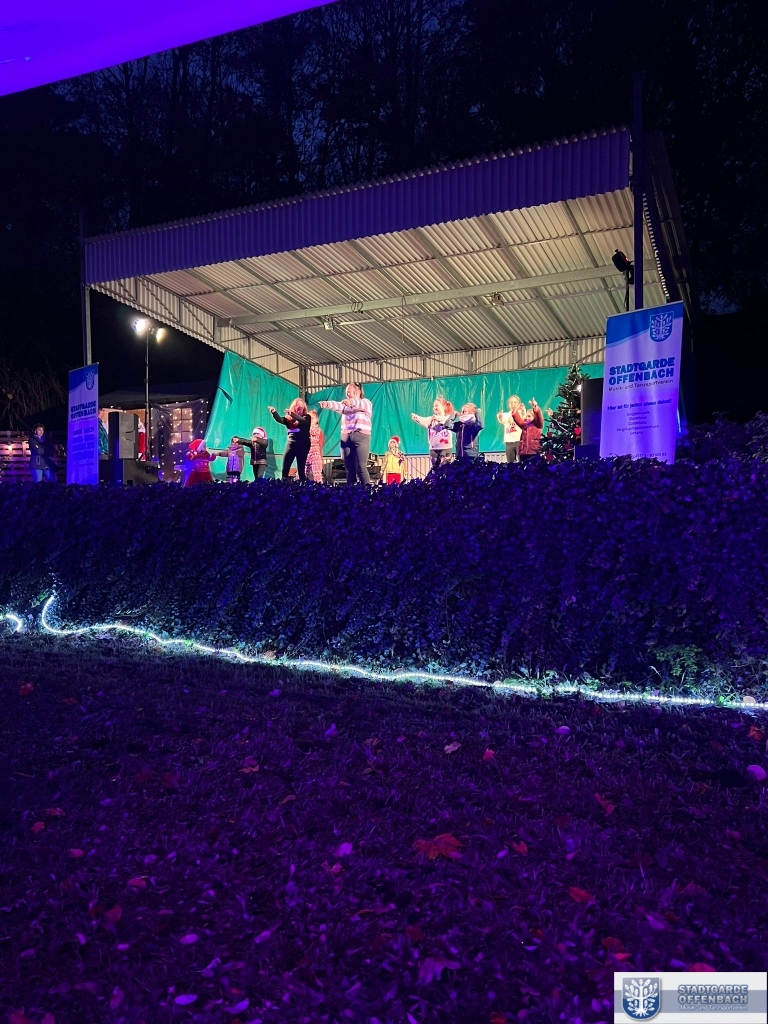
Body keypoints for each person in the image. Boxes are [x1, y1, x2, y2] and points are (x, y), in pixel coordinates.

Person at [319, 382, 373, 485]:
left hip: (361, 437)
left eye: (349, 392)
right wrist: (327, 404)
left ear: (357, 391)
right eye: (346, 392)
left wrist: (351, 402)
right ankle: (351, 490)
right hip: (346, 438)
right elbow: (338, 405)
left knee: (361, 467)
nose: (347, 394)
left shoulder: (366, 403)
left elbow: (359, 404)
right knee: (349, 468)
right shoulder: (346, 406)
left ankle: (367, 490)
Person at [269, 398, 311, 481]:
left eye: (301, 407)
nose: (299, 409)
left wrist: (292, 414)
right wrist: (274, 412)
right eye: (297, 407)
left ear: (304, 408)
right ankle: (283, 484)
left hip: (302, 446)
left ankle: (303, 485)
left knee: (301, 469)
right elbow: (280, 419)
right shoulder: (289, 419)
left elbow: (302, 420)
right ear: (294, 408)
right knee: (285, 468)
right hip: (291, 445)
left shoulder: (307, 417)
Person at [411, 398, 455, 470]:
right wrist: (417, 418)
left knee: (444, 468)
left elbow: (446, 422)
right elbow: (423, 420)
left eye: (436, 405)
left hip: (445, 448)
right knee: (435, 469)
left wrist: (438, 418)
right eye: (433, 406)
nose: (434, 407)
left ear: (444, 406)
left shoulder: (448, 418)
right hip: (433, 448)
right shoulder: (431, 419)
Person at [497, 395, 523, 463]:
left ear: (519, 404)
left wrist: (523, 411)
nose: (513, 404)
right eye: (511, 402)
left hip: (519, 441)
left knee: (522, 461)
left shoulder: (521, 413)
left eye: (515, 402)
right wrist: (500, 416)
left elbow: (524, 417)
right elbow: (501, 419)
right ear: (508, 405)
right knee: (510, 463)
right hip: (509, 442)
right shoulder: (506, 415)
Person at [307, 409, 325, 483]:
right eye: (309, 418)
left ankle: (319, 489)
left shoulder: (319, 431)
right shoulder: (304, 429)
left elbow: (320, 445)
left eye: (312, 418)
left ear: (316, 420)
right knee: (301, 475)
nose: (311, 420)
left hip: (315, 454)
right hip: (305, 453)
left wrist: (320, 458)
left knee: (317, 476)